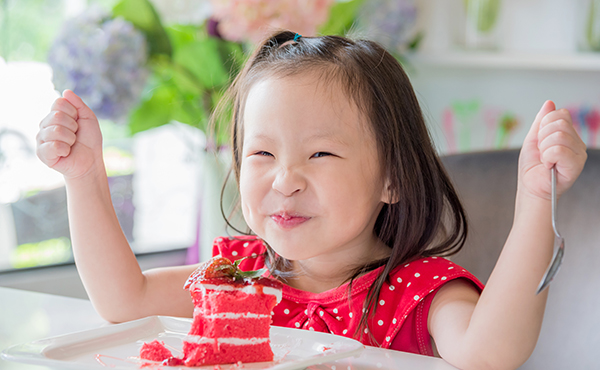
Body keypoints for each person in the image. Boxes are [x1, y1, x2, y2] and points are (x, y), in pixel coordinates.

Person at [36, 30, 587, 369]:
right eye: (262, 155)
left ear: (391, 178)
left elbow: (492, 353)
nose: (285, 180)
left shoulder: (417, 293)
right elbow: (123, 301)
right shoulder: (243, 275)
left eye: (320, 155)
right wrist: (84, 177)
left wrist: (536, 199)